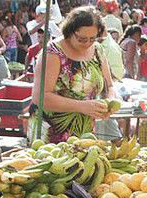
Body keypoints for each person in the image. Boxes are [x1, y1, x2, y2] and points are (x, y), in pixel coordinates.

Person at [31, 6, 116, 143]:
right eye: (81, 39)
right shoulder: (53, 53)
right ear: (70, 31)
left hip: (85, 133)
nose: (87, 43)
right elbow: (40, 97)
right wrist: (82, 106)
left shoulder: (98, 51)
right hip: (52, 134)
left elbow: (109, 86)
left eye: (92, 38)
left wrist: (109, 104)